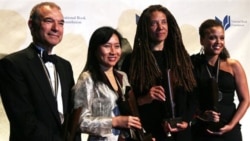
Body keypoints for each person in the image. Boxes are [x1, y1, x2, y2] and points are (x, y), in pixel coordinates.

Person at [0, 2, 78, 141]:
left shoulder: (65, 66)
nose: (56, 28)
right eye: (49, 21)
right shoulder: (13, 64)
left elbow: (71, 114)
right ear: (31, 24)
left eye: (61, 23)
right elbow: (24, 121)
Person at [121, 4, 197, 141]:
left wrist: (186, 121)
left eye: (163, 22)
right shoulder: (133, 61)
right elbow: (125, 102)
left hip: (181, 134)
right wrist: (145, 98)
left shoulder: (181, 57)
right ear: (145, 28)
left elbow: (193, 94)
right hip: (151, 134)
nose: (160, 27)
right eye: (154, 24)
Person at [69, 26, 143, 141]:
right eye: (107, 46)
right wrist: (114, 122)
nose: (113, 51)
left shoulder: (122, 76)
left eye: (117, 46)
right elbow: (79, 121)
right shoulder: (87, 79)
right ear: (95, 49)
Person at [190, 19, 249, 141]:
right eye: (212, 38)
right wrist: (201, 115)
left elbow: (245, 100)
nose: (218, 42)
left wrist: (231, 125)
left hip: (230, 132)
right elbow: (187, 100)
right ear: (202, 40)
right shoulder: (192, 65)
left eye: (222, 38)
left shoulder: (233, 65)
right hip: (202, 132)